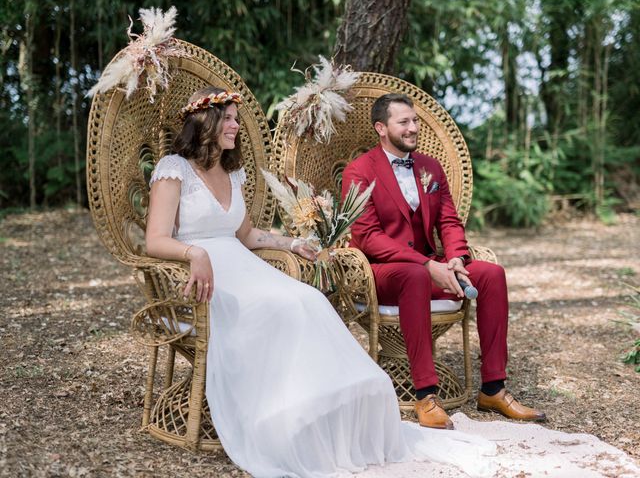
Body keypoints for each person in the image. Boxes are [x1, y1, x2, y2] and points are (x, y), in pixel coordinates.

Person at [142, 86, 640, 478]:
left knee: (321, 300)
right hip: (221, 268)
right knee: (304, 303)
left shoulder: (238, 175)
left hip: (254, 262)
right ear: (208, 123)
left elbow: (247, 233)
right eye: (229, 121)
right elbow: (155, 240)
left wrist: (294, 244)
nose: (236, 128)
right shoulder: (177, 170)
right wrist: (195, 252)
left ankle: (489, 387)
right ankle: (381, 400)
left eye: (416, 122)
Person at [341, 93, 546, 431]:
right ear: (381, 128)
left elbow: (449, 222)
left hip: (431, 266)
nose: (413, 128)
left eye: (415, 121)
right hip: (383, 272)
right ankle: (426, 395)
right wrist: (426, 264)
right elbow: (369, 237)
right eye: (403, 122)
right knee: (415, 276)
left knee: (492, 274)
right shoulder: (359, 171)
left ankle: (493, 389)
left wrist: (456, 260)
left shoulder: (430, 168)